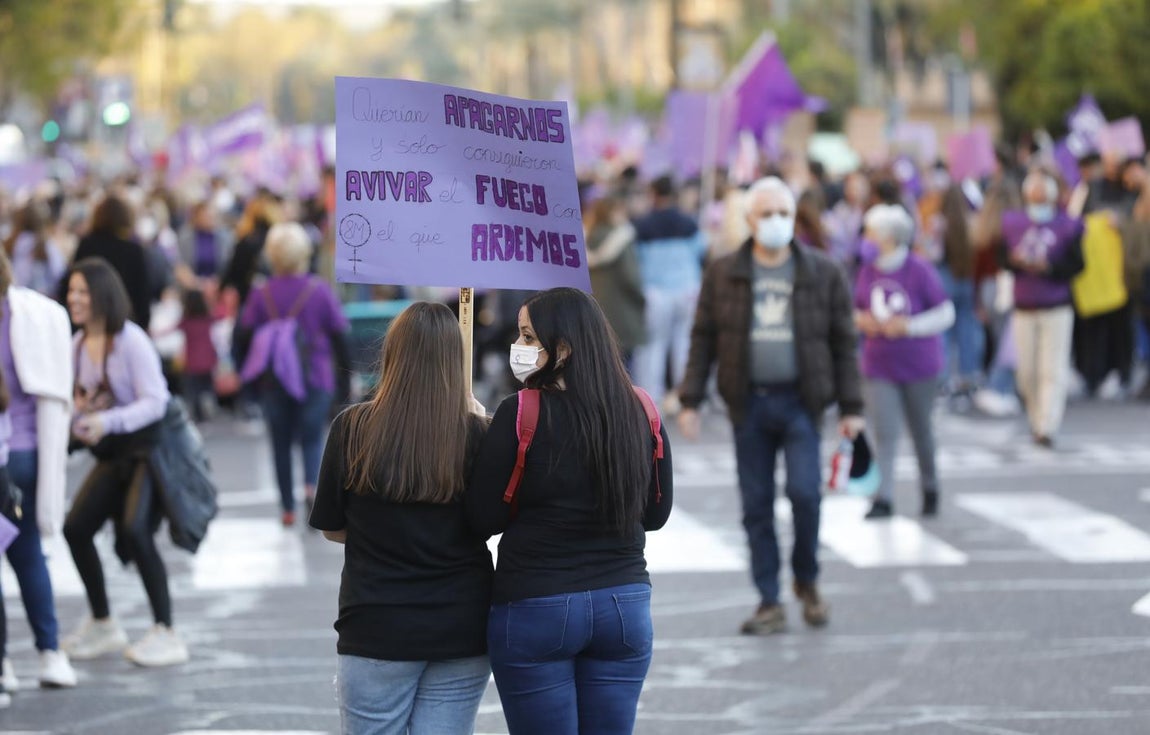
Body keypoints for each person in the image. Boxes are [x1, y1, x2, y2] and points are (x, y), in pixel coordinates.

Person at [466, 287, 673, 735]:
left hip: (536, 604)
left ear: (561, 349)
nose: (517, 346)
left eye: (527, 336)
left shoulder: (520, 412)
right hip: (623, 605)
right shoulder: (640, 408)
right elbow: (655, 515)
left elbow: (483, 519)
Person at [677, 176, 864, 635]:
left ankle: (807, 579)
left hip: (802, 402)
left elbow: (844, 342)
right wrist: (690, 399)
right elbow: (703, 337)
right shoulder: (724, 272)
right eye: (767, 213)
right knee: (756, 504)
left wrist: (851, 407)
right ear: (749, 219)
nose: (776, 221)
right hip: (749, 404)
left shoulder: (823, 271)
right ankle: (768, 599)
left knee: (805, 494)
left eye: (784, 213)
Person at [310, 302, 492, 735]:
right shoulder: (478, 434)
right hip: (462, 625)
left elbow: (333, 527)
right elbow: (490, 522)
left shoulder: (351, 428)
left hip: (376, 625)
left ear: (392, 355)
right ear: (454, 360)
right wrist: (481, 426)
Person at [60, 258, 186, 667]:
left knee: (136, 530)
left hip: (147, 450)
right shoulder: (77, 344)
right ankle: (103, 623)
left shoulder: (131, 340)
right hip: (112, 453)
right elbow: (80, 404)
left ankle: (166, 631)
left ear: (102, 295)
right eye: (71, 291)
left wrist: (105, 421)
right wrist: (79, 422)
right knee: (76, 528)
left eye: (82, 291)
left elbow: (156, 401)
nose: (74, 299)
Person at [0, 250, 77, 693]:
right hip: (28, 455)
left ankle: (3, 666)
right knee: (29, 552)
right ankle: (50, 652)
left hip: (5, 456)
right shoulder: (36, 314)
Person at [239, 223, 349, 526]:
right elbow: (340, 336)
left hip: (275, 379)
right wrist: (344, 380)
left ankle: (287, 507)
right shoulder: (319, 290)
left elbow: (245, 333)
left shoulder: (261, 293)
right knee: (313, 438)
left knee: (281, 441)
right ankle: (312, 489)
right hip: (315, 375)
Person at [854, 205, 954, 519]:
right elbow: (855, 308)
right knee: (884, 432)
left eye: (872, 233)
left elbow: (945, 313)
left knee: (921, 430)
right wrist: (863, 321)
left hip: (918, 365)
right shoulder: (867, 271)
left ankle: (930, 486)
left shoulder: (919, 269)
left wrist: (909, 326)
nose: (868, 239)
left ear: (889, 237)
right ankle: (883, 496)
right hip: (878, 364)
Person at [1001, 171, 1085, 447]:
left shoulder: (1068, 225)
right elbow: (1001, 259)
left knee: (1053, 368)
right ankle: (1036, 417)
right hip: (1024, 305)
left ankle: (1047, 425)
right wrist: (1015, 262)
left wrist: (1049, 268)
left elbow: (1078, 264)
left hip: (1056, 305)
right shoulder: (1012, 222)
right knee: (1027, 372)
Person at [631, 175, 708, 413]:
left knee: (653, 346)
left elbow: (636, 259)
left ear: (653, 194)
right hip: (687, 289)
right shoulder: (689, 222)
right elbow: (701, 250)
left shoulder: (642, 225)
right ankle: (685, 397)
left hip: (656, 292)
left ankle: (650, 400)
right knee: (685, 344)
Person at [68, 193, 152, 330]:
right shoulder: (133, 250)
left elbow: (72, 279)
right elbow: (142, 293)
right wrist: (143, 324)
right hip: (124, 321)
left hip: (90, 320)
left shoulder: (87, 245)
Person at [584, 192, 646, 370]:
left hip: (593, 315)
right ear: (613, 212)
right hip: (622, 315)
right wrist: (642, 300)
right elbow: (631, 278)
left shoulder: (585, 239)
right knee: (624, 370)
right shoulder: (622, 239)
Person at [934, 184, 984, 398]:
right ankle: (968, 374)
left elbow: (934, 253)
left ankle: (943, 377)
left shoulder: (939, 223)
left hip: (945, 277)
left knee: (943, 330)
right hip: (966, 277)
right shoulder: (971, 221)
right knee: (967, 328)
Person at [3, 200, 67, 296]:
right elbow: (59, 273)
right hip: (40, 297)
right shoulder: (46, 245)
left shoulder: (9, 243)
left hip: (14, 296)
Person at [179, 288, 218, 422]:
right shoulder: (208, 319)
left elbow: (169, 330)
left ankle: (198, 413)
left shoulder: (186, 322)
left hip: (192, 362)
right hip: (208, 359)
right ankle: (209, 405)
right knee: (207, 386)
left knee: (193, 389)